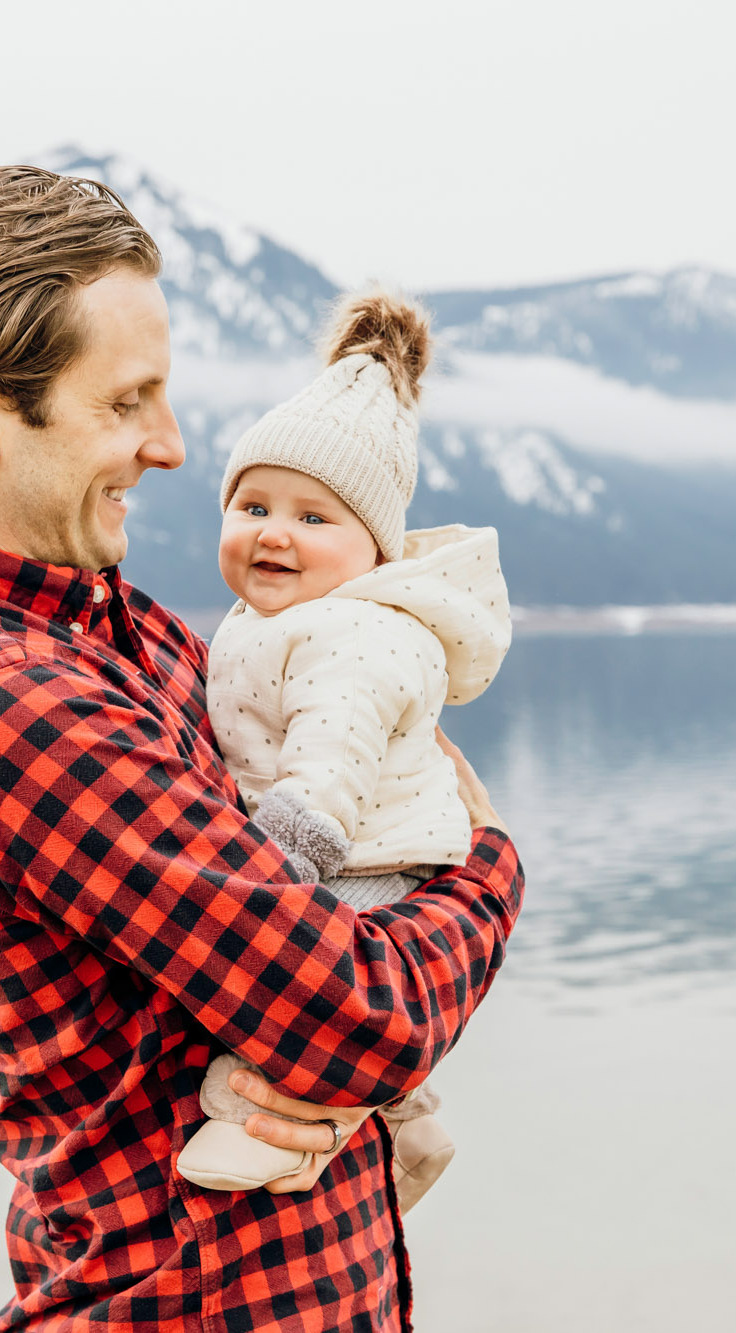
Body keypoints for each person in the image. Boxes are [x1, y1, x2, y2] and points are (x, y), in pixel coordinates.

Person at [0, 165, 524, 1333]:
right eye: (125, 401)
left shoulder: (118, 628)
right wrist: (489, 863)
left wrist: (309, 1049)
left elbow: (296, 942)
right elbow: (358, 1014)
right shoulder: (7, 703)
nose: (172, 445)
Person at [174, 291, 510, 1212]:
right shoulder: (272, 618)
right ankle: (415, 1125)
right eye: (253, 504)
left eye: (314, 518)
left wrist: (273, 863)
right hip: (336, 842)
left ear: (374, 550)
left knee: (279, 1019)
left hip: (360, 852)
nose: (275, 531)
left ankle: (267, 1137)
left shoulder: (354, 633)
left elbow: (334, 761)